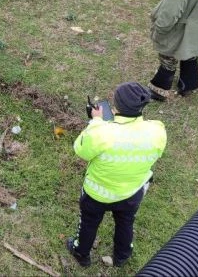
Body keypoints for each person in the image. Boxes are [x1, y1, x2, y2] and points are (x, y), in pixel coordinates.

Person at [66, 82, 167, 268]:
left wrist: (95, 121)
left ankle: (81, 253)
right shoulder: (157, 130)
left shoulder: (102, 132)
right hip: (131, 192)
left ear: (116, 107)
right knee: (125, 223)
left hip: (97, 194)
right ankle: (122, 256)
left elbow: (80, 150)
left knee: (88, 223)